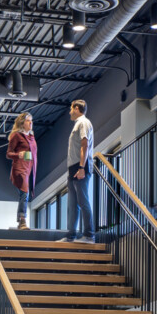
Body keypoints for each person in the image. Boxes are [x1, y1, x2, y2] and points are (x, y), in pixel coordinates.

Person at [62, 99, 96, 243]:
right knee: (72, 203)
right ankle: (71, 235)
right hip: (73, 167)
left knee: (82, 201)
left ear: (76, 108)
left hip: (80, 166)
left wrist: (82, 167)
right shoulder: (77, 124)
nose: (70, 112)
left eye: (71, 109)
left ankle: (89, 234)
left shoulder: (83, 122)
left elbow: (85, 144)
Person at [6, 112, 38, 230]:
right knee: (25, 192)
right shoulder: (16, 135)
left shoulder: (31, 136)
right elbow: (8, 154)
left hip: (29, 168)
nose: (31, 123)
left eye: (31, 120)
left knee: (24, 194)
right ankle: (22, 220)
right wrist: (19, 155)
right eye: (28, 121)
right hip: (19, 168)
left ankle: (21, 220)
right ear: (22, 123)